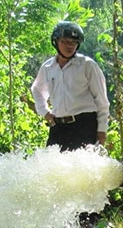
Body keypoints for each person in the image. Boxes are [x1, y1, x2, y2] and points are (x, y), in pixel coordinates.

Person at [31, 21, 110, 151]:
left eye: (73, 42)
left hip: (84, 125)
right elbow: (37, 89)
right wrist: (44, 112)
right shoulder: (48, 67)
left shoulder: (87, 65)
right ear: (56, 42)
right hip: (58, 127)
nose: (70, 46)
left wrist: (102, 130)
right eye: (65, 41)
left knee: (83, 168)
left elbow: (102, 101)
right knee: (53, 168)